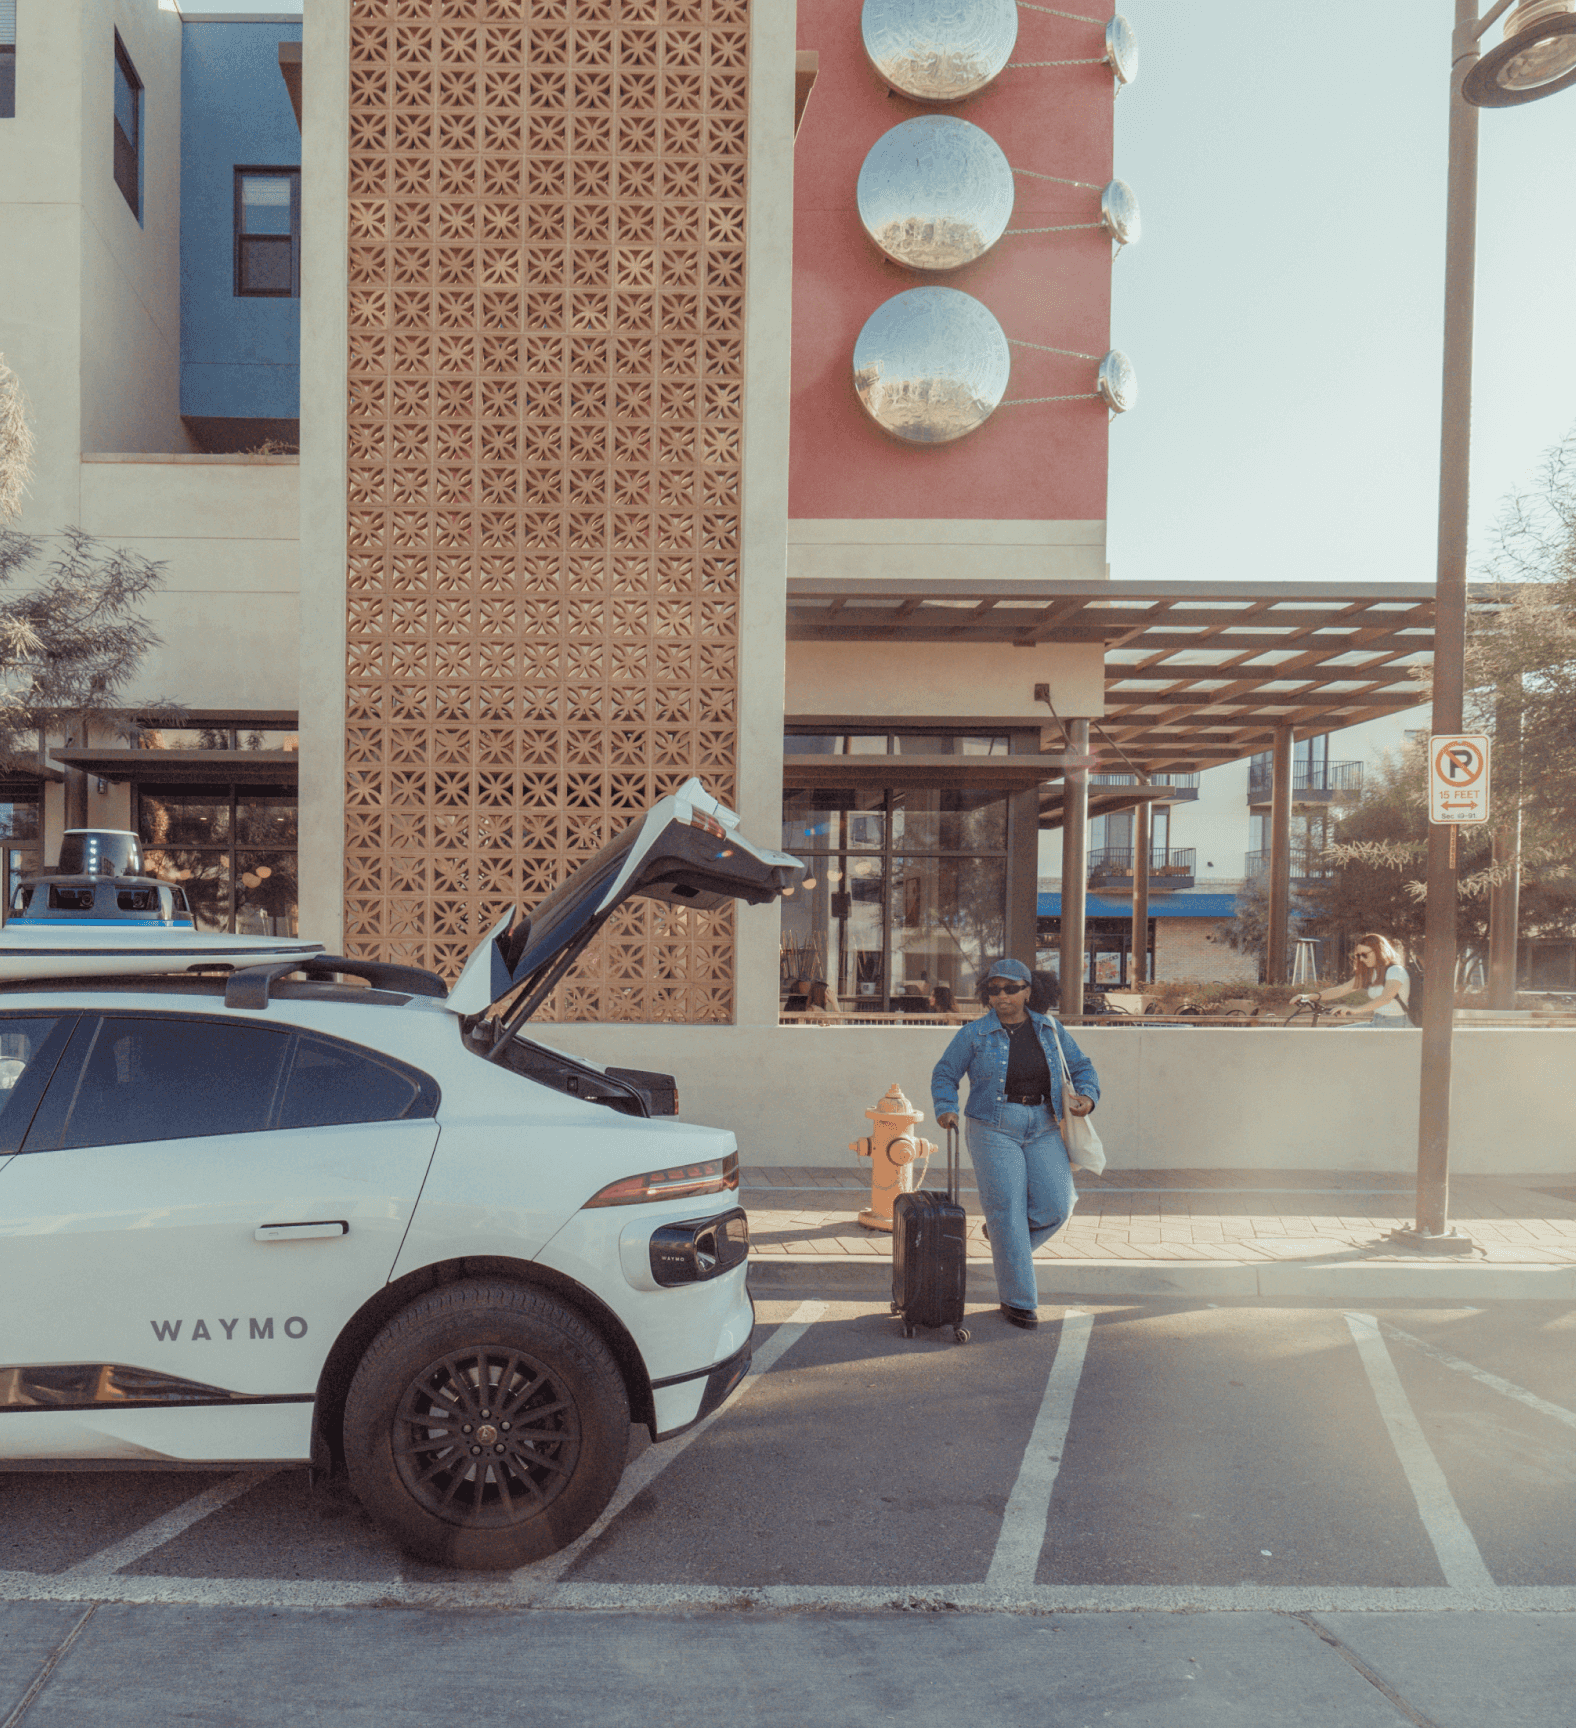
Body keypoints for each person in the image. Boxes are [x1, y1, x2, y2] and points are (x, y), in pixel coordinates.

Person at [931, 958, 1099, 1332]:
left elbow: (1083, 1067)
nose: (1001, 996)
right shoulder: (974, 1034)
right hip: (992, 1127)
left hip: (1043, 1125)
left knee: (1059, 1204)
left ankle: (1005, 1238)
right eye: (993, 990)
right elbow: (945, 1073)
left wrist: (1086, 1097)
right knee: (1007, 1209)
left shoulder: (1049, 1028)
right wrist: (946, 1108)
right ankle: (1018, 1301)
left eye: (1010, 989)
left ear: (1028, 990)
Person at [1293, 933, 1410, 1027]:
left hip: (1397, 1026)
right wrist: (1309, 996)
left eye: (1364, 955)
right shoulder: (1371, 972)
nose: (1361, 959)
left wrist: (1354, 1010)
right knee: (1334, 1036)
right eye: (1358, 956)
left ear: (1380, 951)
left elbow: (1385, 998)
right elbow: (1343, 989)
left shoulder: (1395, 971)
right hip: (1378, 1023)